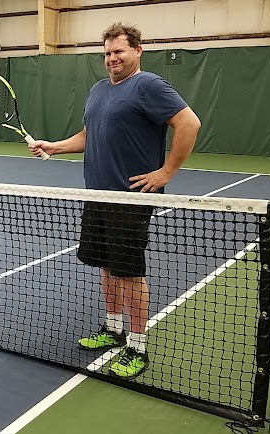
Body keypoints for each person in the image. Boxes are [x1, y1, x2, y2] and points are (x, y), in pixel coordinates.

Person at [28, 22, 201, 379]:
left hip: (130, 199)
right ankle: (113, 328)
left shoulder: (149, 86)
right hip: (97, 193)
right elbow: (91, 132)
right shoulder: (98, 90)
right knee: (107, 268)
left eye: (118, 51)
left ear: (138, 50)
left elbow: (189, 123)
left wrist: (166, 172)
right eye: (107, 53)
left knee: (130, 273)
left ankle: (137, 346)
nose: (112, 59)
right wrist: (55, 146)